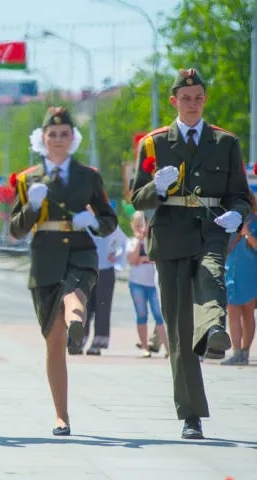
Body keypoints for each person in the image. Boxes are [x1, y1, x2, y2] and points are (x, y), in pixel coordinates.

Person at [130, 68, 253, 439]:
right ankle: (191, 415)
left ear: (205, 100)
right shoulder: (153, 144)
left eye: (199, 97)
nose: (193, 104)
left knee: (212, 274)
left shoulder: (225, 142)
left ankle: (215, 330)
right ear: (174, 102)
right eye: (186, 98)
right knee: (180, 331)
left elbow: (239, 194)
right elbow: (137, 197)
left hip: (210, 232)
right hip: (168, 238)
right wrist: (157, 187)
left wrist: (239, 213)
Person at [9, 107, 118, 436]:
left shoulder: (89, 176)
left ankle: (77, 319)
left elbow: (109, 219)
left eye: (64, 133)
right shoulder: (28, 178)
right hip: (45, 258)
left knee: (76, 291)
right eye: (52, 134)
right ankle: (62, 416)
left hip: (80, 253)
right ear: (43, 139)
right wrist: (30, 207)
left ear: (73, 138)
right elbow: (15, 229)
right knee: (54, 344)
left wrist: (94, 222)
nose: (58, 139)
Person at [74, 225, 127, 355]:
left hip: (105, 271)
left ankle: (98, 343)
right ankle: (78, 341)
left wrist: (118, 257)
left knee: (102, 307)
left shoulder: (109, 224)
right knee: (82, 306)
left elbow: (124, 242)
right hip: (85, 270)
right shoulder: (83, 223)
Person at [126, 211, 169, 358]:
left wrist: (143, 259)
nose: (140, 229)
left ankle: (168, 348)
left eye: (142, 226)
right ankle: (145, 347)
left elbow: (157, 258)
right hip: (137, 283)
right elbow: (132, 259)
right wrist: (139, 242)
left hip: (154, 284)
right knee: (141, 314)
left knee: (159, 315)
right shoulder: (131, 241)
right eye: (136, 226)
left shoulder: (153, 240)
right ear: (132, 226)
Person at [221, 192, 257, 365]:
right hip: (231, 272)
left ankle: (245, 351)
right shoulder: (229, 220)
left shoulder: (255, 220)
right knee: (233, 312)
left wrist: (248, 234)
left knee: (248, 313)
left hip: (250, 272)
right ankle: (236, 352)